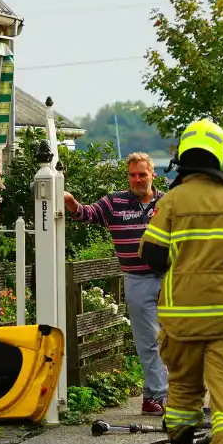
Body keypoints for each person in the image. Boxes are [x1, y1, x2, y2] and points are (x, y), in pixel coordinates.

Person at [138, 119, 223, 444]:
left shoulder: (172, 201)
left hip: (183, 318)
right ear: (219, 155)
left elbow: (153, 256)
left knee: (183, 388)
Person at [65, 153, 168, 415]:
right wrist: (72, 204)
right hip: (138, 279)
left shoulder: (167, 202)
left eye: (142, 174)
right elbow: (88, 214)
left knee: (176, 341)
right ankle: (156, 397)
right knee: (148, 342)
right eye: (132, 174)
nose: (137, 179)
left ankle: (168, 395)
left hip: (171, 279)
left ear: (152, 174)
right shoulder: (115, 202)